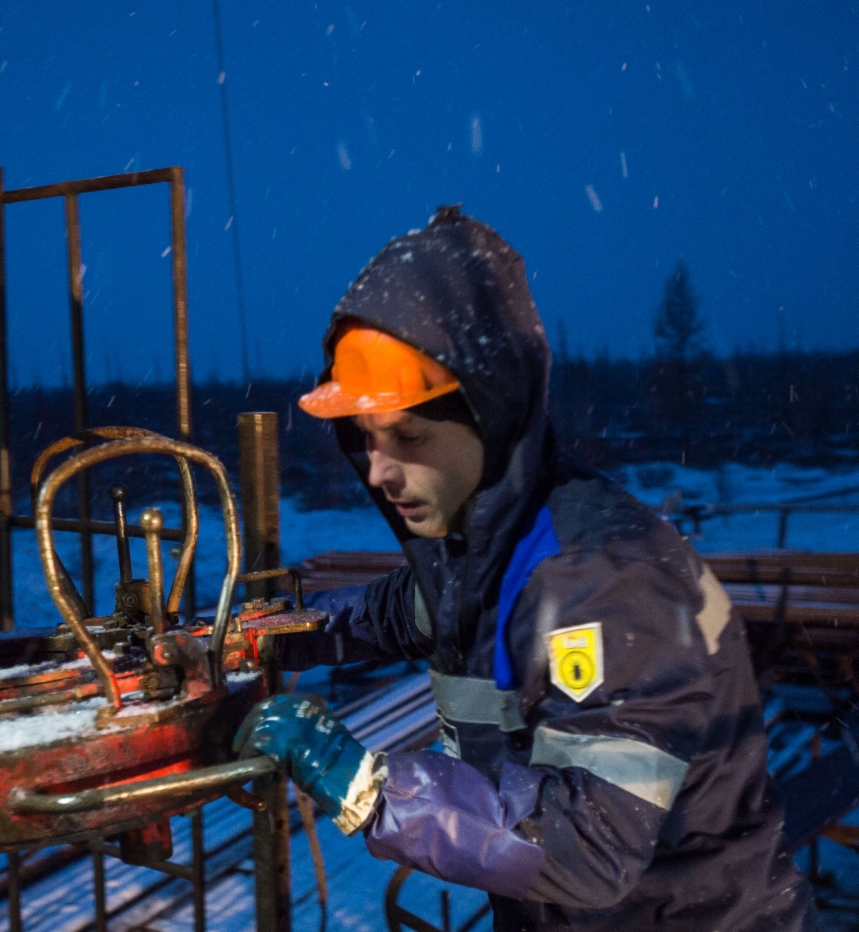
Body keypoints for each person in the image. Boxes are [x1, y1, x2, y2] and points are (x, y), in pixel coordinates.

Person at [233, 205, 816, 931]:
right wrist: (274, 635)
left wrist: (369, 788)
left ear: (492, 416)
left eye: (408, 436)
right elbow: (400, 610)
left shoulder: (603, 581)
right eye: (365, 439)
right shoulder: (485, 551)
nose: (379, 471)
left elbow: (590, 844)